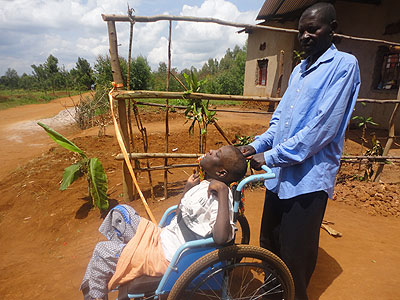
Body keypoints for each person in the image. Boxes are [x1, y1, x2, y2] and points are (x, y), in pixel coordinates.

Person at [239, 3, 360, 300]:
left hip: (308, 180)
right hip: (279, 177)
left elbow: (322, 129)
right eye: (301, 30)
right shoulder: (298, 71)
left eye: (313, 29)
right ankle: (271, 295)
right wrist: (255, 145)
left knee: (295, 254)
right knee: (270, 243)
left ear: (333, 28)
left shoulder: (344, 66)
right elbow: (279, 121)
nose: (305, 35)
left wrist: (269, 157)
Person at [80, 145, 247, 300]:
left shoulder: (220, 196)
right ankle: (126, 256)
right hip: (163, 236)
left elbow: (221, 237)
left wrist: (224, 192)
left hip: (167, 255)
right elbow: (180, 212)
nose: (211, 151)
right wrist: (188, 188)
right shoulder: (204, 184)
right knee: (120, 212)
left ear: (221, 173)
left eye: (216, 154)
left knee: (101, 252)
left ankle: (106, 279)